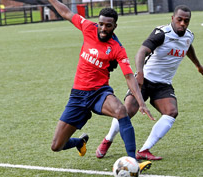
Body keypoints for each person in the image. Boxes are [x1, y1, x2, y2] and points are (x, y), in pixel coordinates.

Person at [47, 0, 155, 171]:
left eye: (108, 25)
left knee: (121, 110)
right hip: (77, 96)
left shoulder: (117, 48)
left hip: (99, 93)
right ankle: (79, 142)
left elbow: (129, 76)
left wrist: (141, 102)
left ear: (115, 26)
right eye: (101, 24)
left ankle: (133, 162)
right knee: (56, 146)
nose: (103, 28)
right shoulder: (88, 27)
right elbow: (66, 13)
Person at [96, 5, 203, 160]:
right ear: (172, 18)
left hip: (163, 84)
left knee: (171, 112)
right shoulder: (161, 33)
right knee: (126, 112)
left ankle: (144, 150)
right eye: (179, 19)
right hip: (144, 80)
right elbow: (141, 51)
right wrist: (139, 73)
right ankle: (108, 140)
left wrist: (197, 64)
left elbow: (187, 47)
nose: (182, 23)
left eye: (186, 21)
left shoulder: (189, 36)